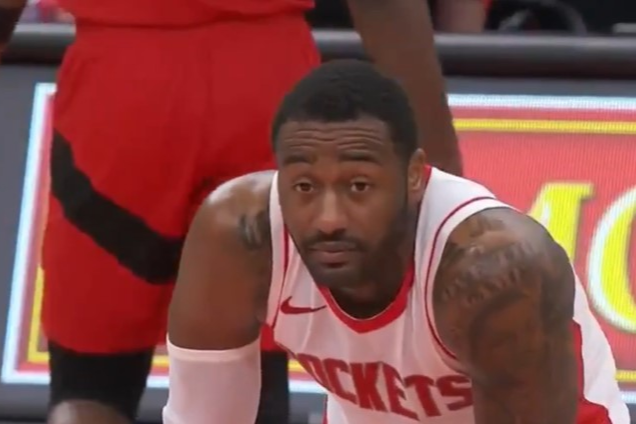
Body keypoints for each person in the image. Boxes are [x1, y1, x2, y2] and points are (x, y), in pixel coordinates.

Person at [0, 1, 462, 423]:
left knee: (90, 385)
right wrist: (442, 170)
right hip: (267, 81)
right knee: (250, 372)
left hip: (122, 80)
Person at [165, 59, 630, 424]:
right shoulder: (241, 238)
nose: (328, 219)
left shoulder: (493, 270)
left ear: (414, 176)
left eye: (358, 186)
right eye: (304, 186)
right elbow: (198, 418)